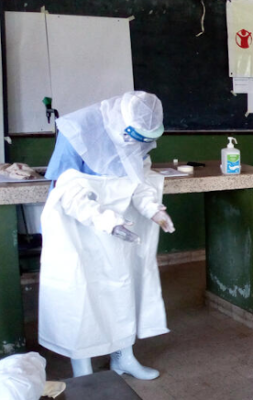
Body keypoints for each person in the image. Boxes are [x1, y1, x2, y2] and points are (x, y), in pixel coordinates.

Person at [39, 91, 175, 380]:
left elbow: (137, 181)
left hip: (120, 228)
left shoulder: (134, 137)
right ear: (123, 123)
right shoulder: (76, 131)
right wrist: (103, 220)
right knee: (83, 296)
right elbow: (65, 191)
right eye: (137, 137)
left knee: (122, 288)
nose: (140, 145)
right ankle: (84, 371)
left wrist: (152, 209)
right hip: (78, 228)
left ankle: (123, 357)